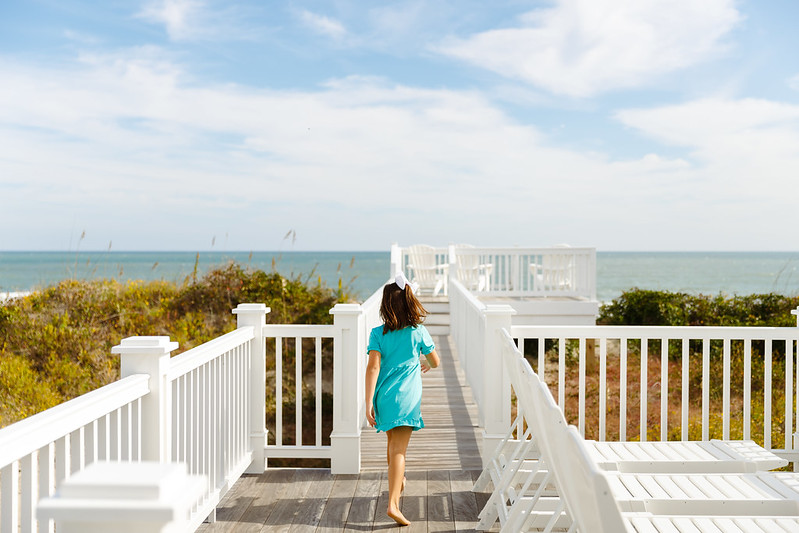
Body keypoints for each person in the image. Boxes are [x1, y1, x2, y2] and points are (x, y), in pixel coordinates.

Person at [365, 273, 440, 526]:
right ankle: (393, 504)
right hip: (407, 398)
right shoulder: (418, 331)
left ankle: (400, 481)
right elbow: (435, 361)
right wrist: (424, 362)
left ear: (386, 306)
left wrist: (367, 403)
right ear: (410, 302)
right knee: (400, 450)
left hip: (383, 397)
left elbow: (373, 368)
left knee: (391, 443)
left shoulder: (377, 333)